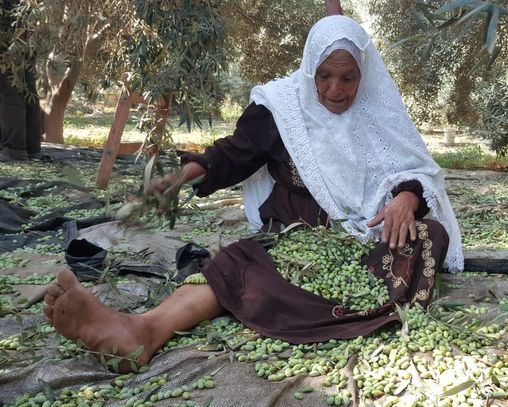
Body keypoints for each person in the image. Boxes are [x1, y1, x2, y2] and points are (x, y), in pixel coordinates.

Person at [42, 15, 464, 371]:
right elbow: (231, 155)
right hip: (297, 238)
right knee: (234, 266)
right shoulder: (281, 109)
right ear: (309, 69)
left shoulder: (377, 111)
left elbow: (414, 169)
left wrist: (407, 199)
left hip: (370, 239)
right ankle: (143, 330)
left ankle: (338, 302)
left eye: (347, 78)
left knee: (431, 235)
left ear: (363, 75)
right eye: (324, 76)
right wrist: (174, 181)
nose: (335, 89)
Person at [0, 0, 44, 162]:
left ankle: (14, 149)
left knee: (8, 93)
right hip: (25, 34)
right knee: (27, 90)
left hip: (8, 34)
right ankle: (32, 148)